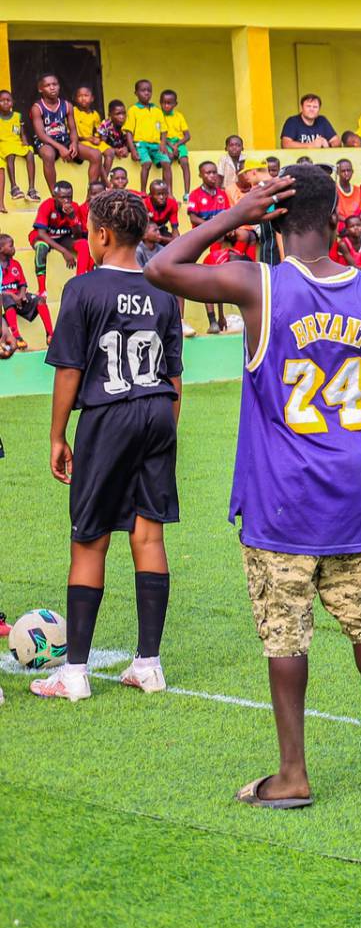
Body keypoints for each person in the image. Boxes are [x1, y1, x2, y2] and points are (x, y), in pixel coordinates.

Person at [146, 165, 361, 806]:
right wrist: (344, 423)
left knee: (285, 635)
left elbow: (161, 267)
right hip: (352, 491)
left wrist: (233, 215)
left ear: (273, 220)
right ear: (335, 219)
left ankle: (293, 774)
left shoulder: (259, 284)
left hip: (281, 500)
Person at [30, 189, 184, 701]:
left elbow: (70, 369)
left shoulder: (82, 289)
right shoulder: (165, 291)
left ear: (101, 234)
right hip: (157, 411)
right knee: (149, 536)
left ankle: (74, 674)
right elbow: (174, 373)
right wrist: (166, 430)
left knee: (90, 539)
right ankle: (149, 665)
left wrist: (58, 435)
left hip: (108, 416)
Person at [32, 72, 103, 192]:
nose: (52, 87)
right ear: (40, 89)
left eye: (55, 84)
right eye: (48, 85)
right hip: (46, 141)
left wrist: (74, 143)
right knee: (48, 155)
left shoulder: (67, 105)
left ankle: (92, 194)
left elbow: (73, 129)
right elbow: (41, 134)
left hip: (64, 139)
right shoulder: (37, 108)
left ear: (59, 86)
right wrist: (60, 148)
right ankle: (54, 194)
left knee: (96, 155)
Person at [31, 181, 90, 294]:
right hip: (45, 237)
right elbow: (41, 233)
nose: (67, 201)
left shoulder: (74, 207)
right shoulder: (47, 205)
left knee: (83, 244)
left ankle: (79, 283)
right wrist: (64, 251)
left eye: (69, 197)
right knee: (41, 247)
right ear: (54, 196)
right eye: (63, 197)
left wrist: (72, 217)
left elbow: (78, 236)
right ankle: (42, 290)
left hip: (63, 238)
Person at [0, 234, 54, 345]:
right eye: (11, 246)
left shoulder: (15, 264)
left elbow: (23, 284)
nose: (14, 248)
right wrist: (13, 296)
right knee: (7, 299)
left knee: (40, 300)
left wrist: (22, 295)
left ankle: (50, 334)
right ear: (1, 249)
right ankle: (17, 337)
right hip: (6, 299)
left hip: (18, 296)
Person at [0, 88, 35, 203]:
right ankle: (14, 187)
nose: (5, 102)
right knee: (10, 155)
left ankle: (31, 188)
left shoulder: (17, 116)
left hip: (16, 142)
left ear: (12, 102)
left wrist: (24, 140)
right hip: (4, 143)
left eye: (8, 100)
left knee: (30, 153)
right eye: (2, 100)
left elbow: (21, 131)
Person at [72, 85, 110, 185]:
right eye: (80, 96)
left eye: (86, 95)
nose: (83, 98)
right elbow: (71, 133)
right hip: (81, 141)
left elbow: (98, 131)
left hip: (91, 141)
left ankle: (103, 181)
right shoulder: (73, 111)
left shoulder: (95, 114)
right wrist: (90, 139)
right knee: (97, 155)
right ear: (75, 99)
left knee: (110, 152)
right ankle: (103, 183)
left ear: (92, 98)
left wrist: (98, 138)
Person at [157, 89, 193, 196]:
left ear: (175, 104)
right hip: (166, 143)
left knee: (185, 162)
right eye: (164, 103)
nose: (166, 106)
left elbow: (187, 136)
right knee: (167, 162)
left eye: (169, 103)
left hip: (179, 143)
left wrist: (176, 145)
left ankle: (187, 193)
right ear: (160, 103)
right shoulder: (158, 116)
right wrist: (172, 147)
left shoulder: (179, 116)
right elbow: (159, 135)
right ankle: (168, 193)